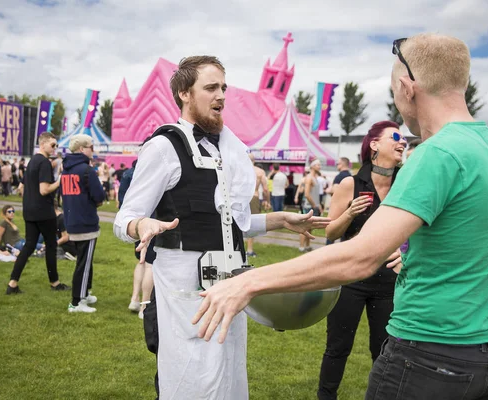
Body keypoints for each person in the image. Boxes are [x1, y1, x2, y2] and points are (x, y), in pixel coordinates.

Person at [193, 34, 488, 400]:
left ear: (406, 87)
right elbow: (473, 239)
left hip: (429, 354)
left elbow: (361, 256)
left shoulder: (437, 153)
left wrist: (248, 282)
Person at [113, 55, 329, 400]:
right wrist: (142, 224)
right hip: (184, 285)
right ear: (185, 93)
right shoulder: (163, 147)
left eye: (223, 88)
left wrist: (281, 220)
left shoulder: (228, 149)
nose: (221, 96)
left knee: (226, 372)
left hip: (228, 281)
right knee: (191, 375)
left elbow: (234, 224)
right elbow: (123, 219)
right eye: (211, 87)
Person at [317, 121, 405, 400]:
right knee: (338, 346)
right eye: (396, 137)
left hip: (390, 279)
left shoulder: (406, 183)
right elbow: (331, 232)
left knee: (384, 348)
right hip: (351, 278)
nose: (402, 142)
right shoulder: (350, 184)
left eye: (404, 139)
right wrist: (350, 213)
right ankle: (326, 396)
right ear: (375, 145)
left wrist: (406, 250)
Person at [7, 132, 68, 295]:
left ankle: (12, 283)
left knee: (29, 245)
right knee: (51, 245)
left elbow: (21, 187)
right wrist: (59, 181)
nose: (55, 148)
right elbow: (44, 189)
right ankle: (55, 283)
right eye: (52, 145)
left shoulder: (32, 161)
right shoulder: (44, 162)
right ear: (43, 144)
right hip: (44, 211)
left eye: (56, 145)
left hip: (29, 210)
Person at [61, 134, 106, 313]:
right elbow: (100, 197)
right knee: (83, 263)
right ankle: (76, 301)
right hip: (86, 222)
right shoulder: (87, 171)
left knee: (84, 261)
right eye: (91, 147)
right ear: (81, 149)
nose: (92, 150)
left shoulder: (65, 169)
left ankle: (84, 293)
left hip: (72, 221)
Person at [118, 159, 155, 319]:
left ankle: (134, 299)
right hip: (153, 222)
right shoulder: (153, 170)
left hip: (136, 222)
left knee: (141, 261)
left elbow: (122, 200)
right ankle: (144, 306)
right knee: (150, 265)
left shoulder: (129, 173)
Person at [245, 154, 270, 258]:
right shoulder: (259, 172)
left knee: (237, 222)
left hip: (240, 198)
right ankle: (249, 250)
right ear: (254, 161)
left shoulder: (239, 170)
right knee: (252, 222)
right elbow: (265, 189)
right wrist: (267, 201)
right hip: (253, 197)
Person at [300, 159, 323, 252]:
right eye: (318, 165)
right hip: (308, 205)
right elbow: (306, 194)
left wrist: (319, 205)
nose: (319, 166)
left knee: (310, 227)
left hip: (314, 205)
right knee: (304, 227)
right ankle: (301, 247)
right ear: (312, 166)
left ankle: (307, 246)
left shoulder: (315, 178)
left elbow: (315, 194)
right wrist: (314, 205)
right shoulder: (309, 178)